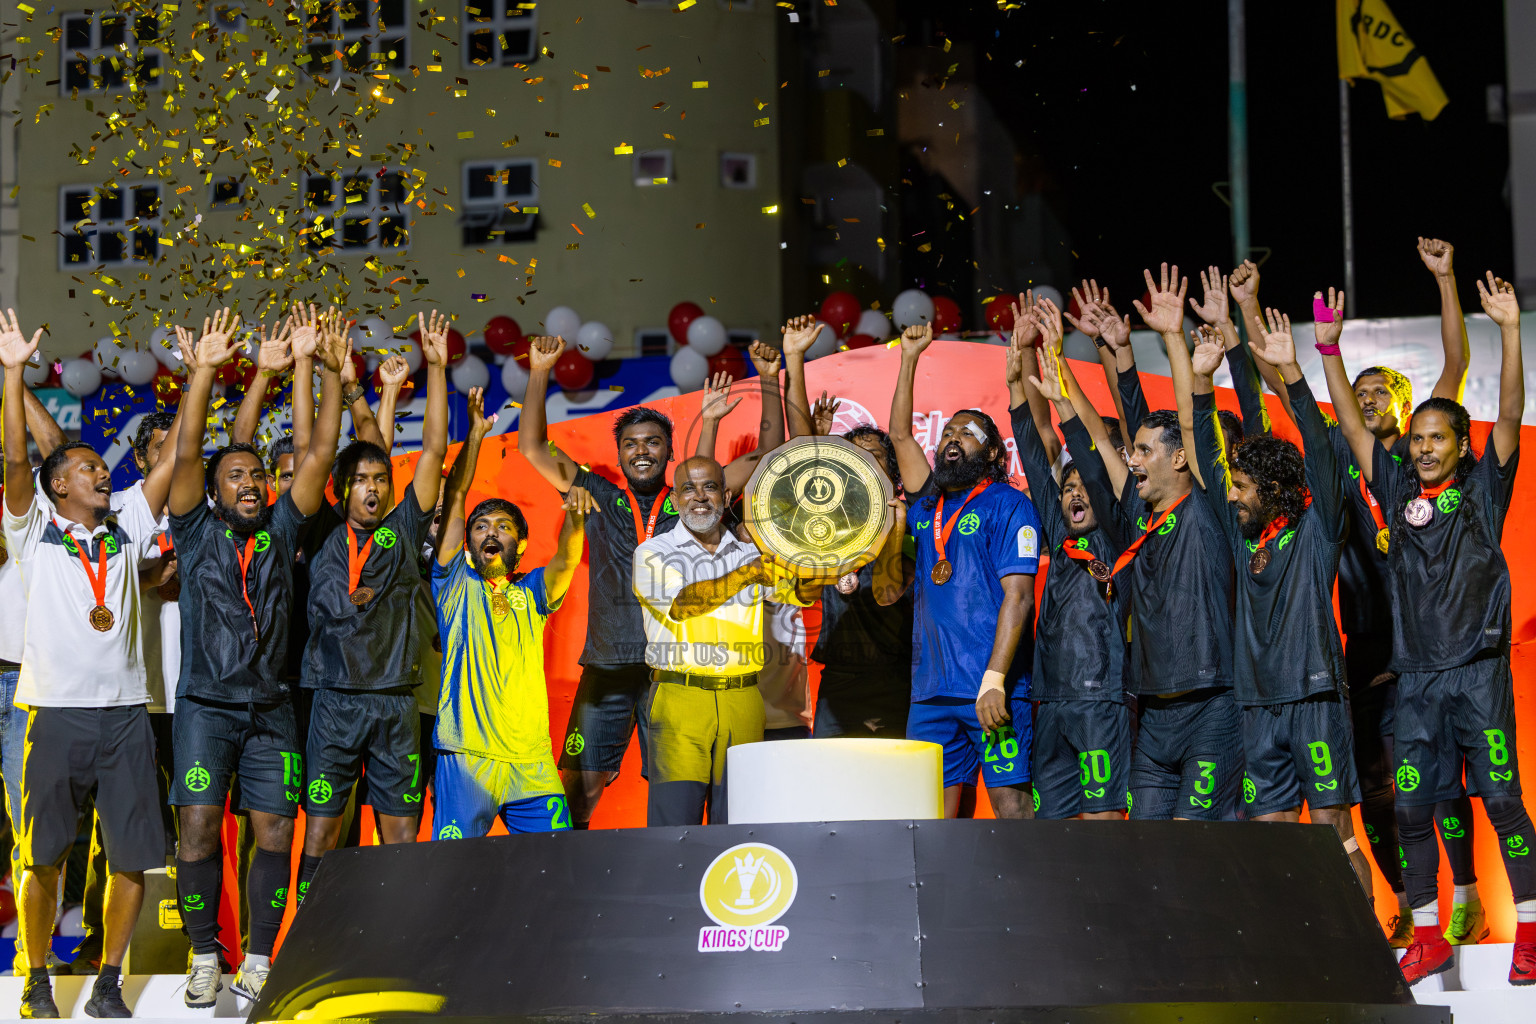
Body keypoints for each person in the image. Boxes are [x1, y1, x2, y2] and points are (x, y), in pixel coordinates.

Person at [1237, 244, 1477, 945]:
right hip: (1365, 650)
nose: (1366, 400)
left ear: (1406, 406)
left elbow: (1455, 364)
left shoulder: (1416, 459)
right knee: (1372, 788)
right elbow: (1279, 382)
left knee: (1438, 780)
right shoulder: (1342, 461)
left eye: (1380, 392)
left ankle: (1462, 897)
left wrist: (1446, 281)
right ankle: (1401, 905)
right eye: (1359, 392)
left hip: (1427, 645)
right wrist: (1249, 307)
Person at [1329, 272, 1536, 986]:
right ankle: (1428, 936)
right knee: (1413, 809)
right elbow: (1352, 426)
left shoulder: (1483, 491)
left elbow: (1509, 411)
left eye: (1435, 438)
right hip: (1415, 683)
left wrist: (1510, 330)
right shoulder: (1394, 490)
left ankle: (1530, 932)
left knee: (1502, 802)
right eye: (1416, 439)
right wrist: (1327, 350)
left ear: (1459, 444)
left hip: (1477, 676)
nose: (1421, 448)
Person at [166, 307, 346, 1006]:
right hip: (206, 707)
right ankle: (204, 954)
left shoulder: (282, 527)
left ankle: (262, 959)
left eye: (256, 475)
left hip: (272, 710)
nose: (249, 482)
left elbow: (320, 451)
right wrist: (205, 371)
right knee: (198, 829)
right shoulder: (194, 532)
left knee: (274, 830)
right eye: (235, 475)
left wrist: (324, 368)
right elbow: (187, 452)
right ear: (213, 492)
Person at [1, 308, 169, 1019]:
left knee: (130, 858)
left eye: (103, 466)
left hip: (126, 715)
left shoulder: (129, 522)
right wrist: (13, 373)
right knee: (43, 856)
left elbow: (179, 456)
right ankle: (36, 976)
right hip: (54, 711)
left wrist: (201, 377)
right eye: (87, 468)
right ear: (59, 487)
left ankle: (107, 982)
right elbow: (19, 461)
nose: (103, 472)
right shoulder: (33, 526)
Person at [1188, 309, 1371, 894]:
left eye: (1243, 487)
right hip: (1256, 703)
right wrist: (1200, 381)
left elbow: (1320, 449)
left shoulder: (1318, 530)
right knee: (1272, 840)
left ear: (1272, 490)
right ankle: (1295, 942)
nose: (1232, 496)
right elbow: (1207, 459)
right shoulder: (1243, 536)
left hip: (1314, 696)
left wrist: (1293, 372)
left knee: (1332, 830)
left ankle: (1364, 943)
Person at [1071, 265, 1242, 822]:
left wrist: (1172, 338)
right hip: (1153, 713)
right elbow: (1105, 436)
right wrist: (1071, 362)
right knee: (1147, 847)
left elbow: (1192, 425)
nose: (1134, 459)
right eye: (1136, 452)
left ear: (1181, 460)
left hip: (1211, 707)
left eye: (1146, 452)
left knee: (1198, 848)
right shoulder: (1139, 518)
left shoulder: (1209, 507)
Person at [295, 312, 451, 900]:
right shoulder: (320, 530)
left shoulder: (402, 530)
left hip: (394, 704)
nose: (374, 487)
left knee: (401, 835)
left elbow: (433, 450)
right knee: (322, 833)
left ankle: (396, 933)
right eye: (361, 478)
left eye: (382, 478)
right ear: (342, 487)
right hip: (333, 702)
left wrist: (435, 367)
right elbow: (312, 448)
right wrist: (327, 373)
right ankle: (308, 936)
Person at [519, 334, 680, 829]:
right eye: (630, 444)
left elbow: (755, 468)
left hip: (671, 669)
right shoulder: (597, 492)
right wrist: (540, 370)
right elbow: (532, 447)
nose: (641, 451)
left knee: (675, 791)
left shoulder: (690, 500)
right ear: (620, 453)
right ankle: (570, 876)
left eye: (652, 442)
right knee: (575, 794)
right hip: (607, 665)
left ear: (669, 450)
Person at [889, 322, 1041, 819]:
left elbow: (1020, 596)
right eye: (948, 433)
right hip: (930, 695)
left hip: (992, 688)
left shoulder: (1009, 505)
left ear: (992, 453)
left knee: (1012, 807)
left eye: (968, 433)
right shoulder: (926, 504)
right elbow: (898, 435)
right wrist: (909, 358)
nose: (954, 438)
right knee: (928, 818)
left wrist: (994, 679)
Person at [431, 388, 586, 839]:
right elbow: (456, 496)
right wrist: (475, 436)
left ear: (520, 543)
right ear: (468, 542)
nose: (490, 532)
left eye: (503, 527)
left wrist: (576, 518)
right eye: (481, 527)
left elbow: (566, 560)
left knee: (557, 865)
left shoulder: (533, 591)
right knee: (454, 870)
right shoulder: (454, 583)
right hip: (467, 757)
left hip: (532, 762)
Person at [632, 456, 812, 825]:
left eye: (710, 487)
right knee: (674, 823)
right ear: (675, 500)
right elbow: (683, 605)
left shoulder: (752, 553)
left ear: (726, 496)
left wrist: (823, 556)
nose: (699, 496)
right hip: (680, 697)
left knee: (739, 822)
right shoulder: (653, 552)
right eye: (688, 488)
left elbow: (800, 593)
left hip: (744, 699)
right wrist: (747, 573)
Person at [1012, 299, 1131, 820]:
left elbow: (1090, 457)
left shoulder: (1120, 530)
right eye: (1068, 487)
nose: (1075, 492)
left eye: (1085, 484)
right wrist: (1018, 372)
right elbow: (1032, 447)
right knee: (1051, 832)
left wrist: (1059, 362)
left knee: (1104, 826)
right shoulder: (1058, 528)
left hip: (1103, 698)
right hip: (1051, 700)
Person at [779, 317, 914, 739]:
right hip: (838, 682)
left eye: (873, 456)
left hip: (896, 681)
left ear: (894, 476)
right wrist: (794, 358)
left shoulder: (909, 523)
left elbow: (889, 592)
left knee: (895, 782)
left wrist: (895, 531)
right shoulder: (828, 523)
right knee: (829, 782)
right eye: (853, 457)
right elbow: (802, 452)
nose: (862, 464)